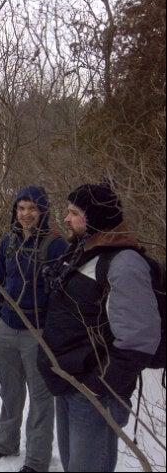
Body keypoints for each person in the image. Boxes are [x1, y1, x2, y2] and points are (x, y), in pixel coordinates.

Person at [37, 183, 161, 472]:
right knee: (73, 465)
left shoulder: (124, 262)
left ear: (96, 218)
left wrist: (99, 386)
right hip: (69, 381)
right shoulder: (83, 251)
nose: (66, 219)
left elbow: (138, 338)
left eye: (74, 213)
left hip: (94, 392)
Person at [0, 185, 67, 473]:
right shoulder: (9, 241)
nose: (26, 214)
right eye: (21, 208)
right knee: (10, 391)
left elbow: (61, 296)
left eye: (32, 208)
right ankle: (5, 443)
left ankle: (37, 460)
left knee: (41, 398)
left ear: (43, 212)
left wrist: (50, 333)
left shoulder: (55, 245)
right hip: (7, 328)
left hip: (36, 333)